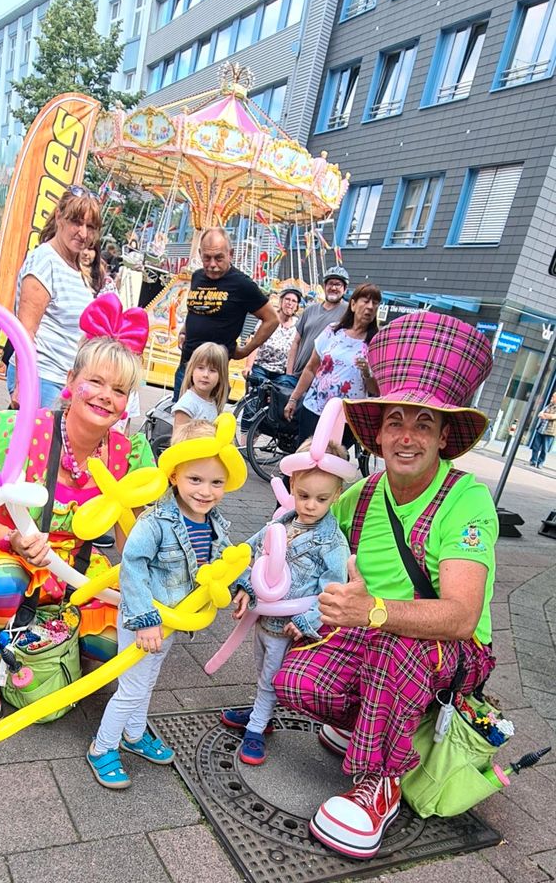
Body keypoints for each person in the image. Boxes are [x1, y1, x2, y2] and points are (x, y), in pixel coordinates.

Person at [273, 311, 497, 860]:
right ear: (378, 431)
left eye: (425, 423)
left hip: (454, 650)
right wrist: (257, 578)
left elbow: (461, 616)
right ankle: (375, 723)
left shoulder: (466, 500)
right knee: (296, 677)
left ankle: (381, 785)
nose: (407, 436)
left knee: (400, 641)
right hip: (377, 634)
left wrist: (372, 609)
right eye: (396, 420)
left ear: (445, 436)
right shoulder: (362, 496)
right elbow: (301, 534)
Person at [0, 297, 157, 730]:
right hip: (6, 554)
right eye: (96, 381)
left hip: (74, 568)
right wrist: (12, 540)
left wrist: (151, 591)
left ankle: (48, 642)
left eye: (119, 390)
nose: (106, 397)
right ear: (72, 381)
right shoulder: (18, 430)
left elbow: (136, 540)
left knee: (116, 641)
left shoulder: (130, 455)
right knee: (1, 582)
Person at [87, 416, 247, 789]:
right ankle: (102, 746)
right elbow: (132, 565)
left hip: (174, 622)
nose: (206, 491)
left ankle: (135, 733)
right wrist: (144, 620)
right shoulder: (156, 521)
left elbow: (225, 559)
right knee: (131, 687)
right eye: (195, 479)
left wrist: (243, 586)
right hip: (147, 619)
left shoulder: (216, 523)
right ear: (174, 475)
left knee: (147, 681)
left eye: (216, 482)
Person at [221, 409, 354, 766]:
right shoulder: (281, 520)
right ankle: (257, 713)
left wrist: (309, 620)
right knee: (261, 668)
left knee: (270, 678)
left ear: (337, 495)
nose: (310, 505)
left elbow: (334, 589)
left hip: (289, 627)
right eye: (304, 495)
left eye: (321, 499)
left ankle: (256, 727)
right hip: (261, 618)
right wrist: (244, 586)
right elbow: (249, 550)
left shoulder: (331, 543)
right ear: (292, 486)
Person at [8, 185, 99, 408]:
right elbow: (25, 331)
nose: (83, 233)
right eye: (76, 222)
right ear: (59, 216)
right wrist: (23, 387)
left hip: (64, 381)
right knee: (36, 443)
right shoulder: (45, 260)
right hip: (41, 378)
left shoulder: (75, 265)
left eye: (91, 226)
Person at [173, 227, 278, 400]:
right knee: (179, 421)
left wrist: (245, 350)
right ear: (200, 254)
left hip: (214, 374)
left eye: (219, 258)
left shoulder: (242, 284)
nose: (212, 264)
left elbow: (271, 319)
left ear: (230, 254)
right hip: (186, 366)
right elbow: (197, 307)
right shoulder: (197, 276)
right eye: (207, 258)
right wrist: (185, 330)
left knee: (204, 425)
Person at [284, 283, 381, 445]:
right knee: (305, 458)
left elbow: (375, 391)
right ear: (353, 304)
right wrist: (293, 399)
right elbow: (311, 368)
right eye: (365, 301)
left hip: (346, 418)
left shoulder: (375, 343)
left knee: (332, 462)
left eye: (375, 303)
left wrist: (367, 372)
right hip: (314, 408)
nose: (370, 307)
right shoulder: (333, 331)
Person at [286, 267, 350, 382]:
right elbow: (295, 342)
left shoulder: (349, 313)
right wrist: (289, 373)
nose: (333, 287)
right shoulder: (310, 310)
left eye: (338, 284)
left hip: (323, 381)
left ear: (345, 289)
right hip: (296, 376)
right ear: (324, 286)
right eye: (330, 283)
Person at [242, 287, 302, 387]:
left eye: (294, 301)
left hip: (280, 373)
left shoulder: (298, 325)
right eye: (287, 299)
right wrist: (248, 367)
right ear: (281, 301)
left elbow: (294, 351)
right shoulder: (270, 319)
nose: (290, 303)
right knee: (256, 395)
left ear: (296, 306)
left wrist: (289, 376)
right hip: (261, 368)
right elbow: (256, 342)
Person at [173, 341, 229, 430]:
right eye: (200, 368)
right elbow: (178, 439)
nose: (205, 374)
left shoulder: (213, 401)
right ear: (191, 370)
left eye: (213, 370)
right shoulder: (187, 404)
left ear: (221, 376)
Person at [530, 390, 556, 468]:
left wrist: (545, 415)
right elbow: (539, 414)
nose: (551, 398)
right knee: (535, 446)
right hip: (541, 429)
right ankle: (533, 461)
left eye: (553, 397)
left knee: (544, 449)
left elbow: (553, 417)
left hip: (549, 432)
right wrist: (547, 415)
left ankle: (540, 463)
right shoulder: (549, 405)